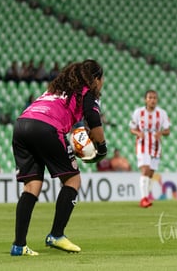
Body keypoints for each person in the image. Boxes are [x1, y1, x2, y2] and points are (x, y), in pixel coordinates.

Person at [10, 59, 107, 256]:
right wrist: (102, 148)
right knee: (73, 179)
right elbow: (93, 116)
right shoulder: (86, 91)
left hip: (22, 125)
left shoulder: (56, 88)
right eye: (102, 79)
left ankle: (19, 245)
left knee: (31, 187)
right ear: (95, 79)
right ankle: (56, 234)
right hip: (47, 127)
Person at [129, 90, 171, 208]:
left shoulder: (162, 113)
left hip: (156, 145)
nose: (152, 100)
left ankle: (147, 197)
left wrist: (161, 133)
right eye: (150, 97)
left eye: (154, 98)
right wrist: (138, 133)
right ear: (145, 100)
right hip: (142, 143)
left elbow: (167, 130)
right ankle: (144, 199)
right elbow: (132, 128)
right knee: (145, 169)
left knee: (151, 173)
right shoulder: (138, 112)